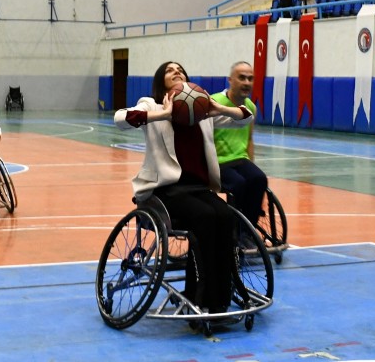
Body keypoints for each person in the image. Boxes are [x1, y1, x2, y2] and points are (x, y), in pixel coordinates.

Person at [114, 61, 253, 314]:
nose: (176, 71)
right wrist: (163, 114)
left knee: (225, 217)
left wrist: (216, 107)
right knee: (205, 218)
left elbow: (246, 118)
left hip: (197, 188)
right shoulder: (151, 104)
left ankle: (221, 296)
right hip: (164, 191)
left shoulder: (201, 113)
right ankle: (199, 296)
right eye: (170, 70)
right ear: (161, 82)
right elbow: (121, 118)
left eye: (180, 69)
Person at [211, 61, 267, 227]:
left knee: (258, 178)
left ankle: (248, 231)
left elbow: (249, 139)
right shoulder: (214, 102)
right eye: (242, 78)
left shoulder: (250, 107)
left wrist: (251, 164)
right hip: (217, 163)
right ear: (230, 80)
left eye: (250, 79)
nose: (247, 83)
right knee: (238, 183)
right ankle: (232, 230)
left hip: (240, 160)